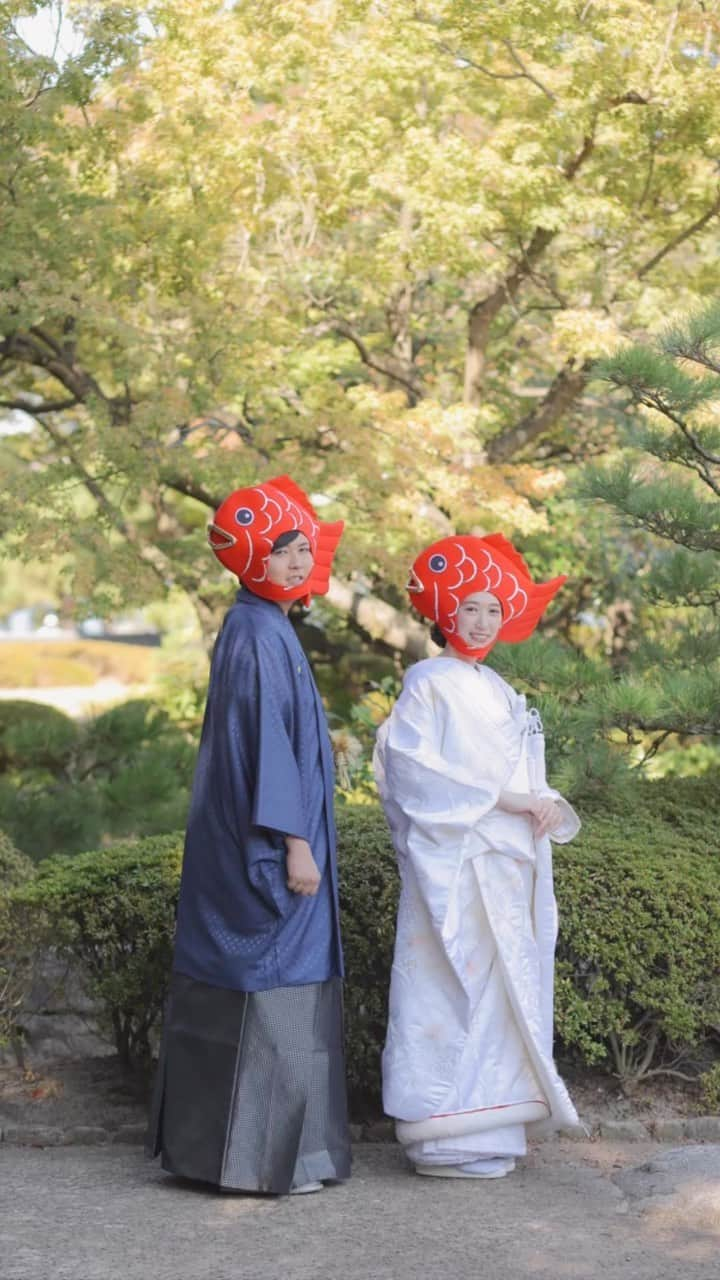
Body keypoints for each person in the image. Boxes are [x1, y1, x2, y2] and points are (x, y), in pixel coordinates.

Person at [147, 474, 351, 1195]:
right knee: (274, 988)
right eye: (283, 551)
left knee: (268, 992)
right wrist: (295, 843)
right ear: (253, 558)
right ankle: (271, 1160)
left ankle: (263, 1155)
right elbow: (264, 747)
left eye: (303, 549)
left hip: (257, 842)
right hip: (267, 850)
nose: (298, 564)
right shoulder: (258, 632)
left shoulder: (263, 625)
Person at [373, 533, 581, 1179]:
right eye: (470, 608)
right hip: (458, 858)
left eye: (493, 608)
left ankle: (497, 1122)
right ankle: (442, 1127)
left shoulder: (496, 685)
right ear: (444, 615)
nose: (483, 620)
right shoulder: (428, 682)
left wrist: (541, 801)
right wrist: (505, 798)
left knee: (504, 987)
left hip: (503, 857)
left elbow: (521, 770)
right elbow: (409, 770)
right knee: (448, 982)